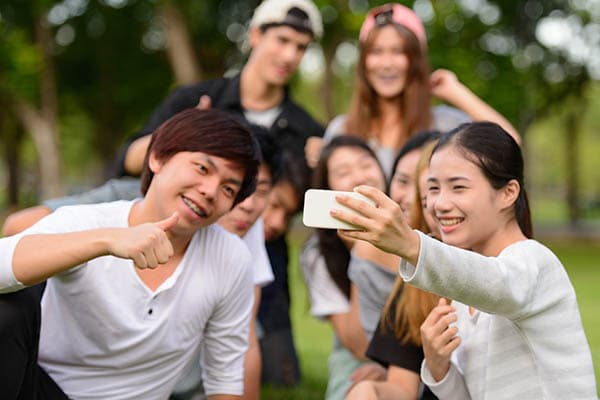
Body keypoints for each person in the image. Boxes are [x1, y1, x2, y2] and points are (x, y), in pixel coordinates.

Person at [0, 108, 261, 399]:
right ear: (157, 158)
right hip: (43, 391)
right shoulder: (91, 222)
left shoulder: (230, 258)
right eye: (202, 168)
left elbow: (224, 377)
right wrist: (107, 241)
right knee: (10, 305)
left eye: (228, 188)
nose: (211, 190)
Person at [332, 122, 598, 399]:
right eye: (433, 189)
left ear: (508, 193)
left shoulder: (534, 262)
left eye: (458, 187)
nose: (440, 204)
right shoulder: (460, 300)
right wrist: (439, 367)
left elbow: (497, 283)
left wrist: (409, 244)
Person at [305, 3, 520, 176]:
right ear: (363, 63)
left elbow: (509, 147)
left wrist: (457, 92)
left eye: (398, 51)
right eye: (376, 51)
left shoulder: (444, 123)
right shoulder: (343, 129)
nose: (386, 63)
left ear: (416, 60)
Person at [347, 138, 441, 400]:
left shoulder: (507, 268)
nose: (439, 205)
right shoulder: (413, 280)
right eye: (429, 194)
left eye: (456, 188)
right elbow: (402, 386)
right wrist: (368, 392)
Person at [300, 136, 389, 399]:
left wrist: (400, 368)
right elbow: (359, 347)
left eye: (366, 165)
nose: (360, 177)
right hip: (360, 360)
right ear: (327, 187)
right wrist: (360, 255)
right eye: (343, 173)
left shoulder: (415, 228)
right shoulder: (318, 254)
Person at [258, 149, 311, 386]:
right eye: (274, 205)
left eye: (289, 215)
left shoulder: (275, 248)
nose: (278, 223)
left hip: (265, 319)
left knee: (283, 377)